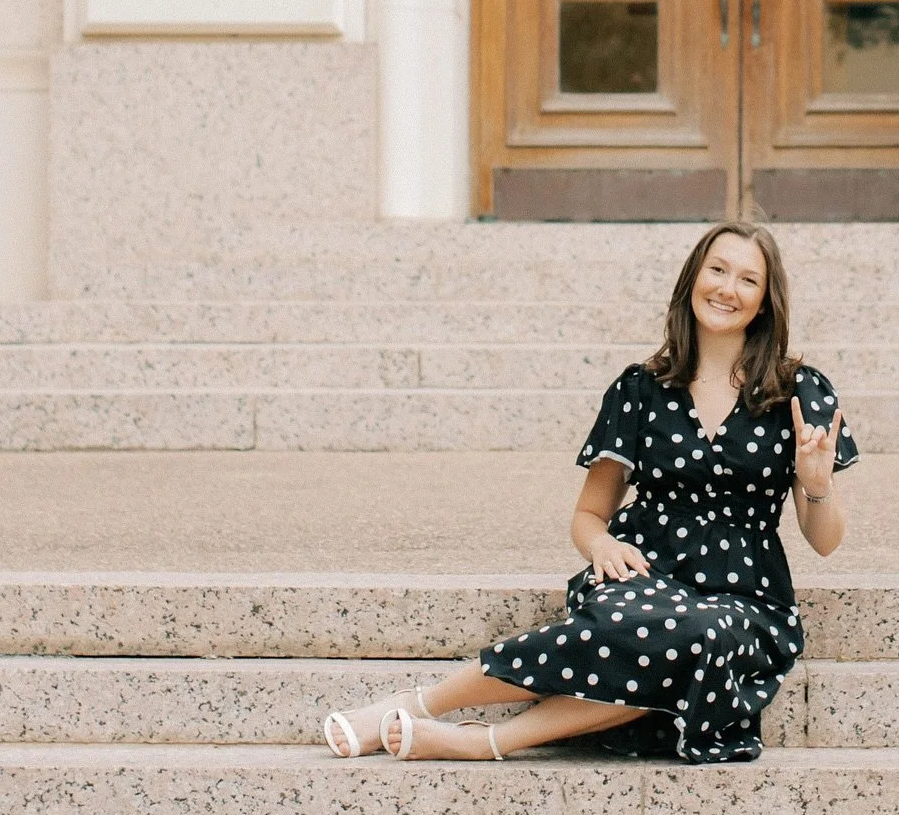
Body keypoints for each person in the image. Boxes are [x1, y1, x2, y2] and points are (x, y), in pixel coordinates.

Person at [322, 219, 857, 763]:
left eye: (748, 280)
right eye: (716, 270)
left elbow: (826, 541)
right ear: (692, 278)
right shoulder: (640, 387)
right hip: (646, 571)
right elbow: (588, 514)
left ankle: (483, 742)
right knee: (661, 631)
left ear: (765, 301)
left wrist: (816, 487)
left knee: (700, 633)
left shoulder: (799, 392)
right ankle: (418, 704)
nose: (727, 288)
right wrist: (600, 546)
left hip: (746, 595)